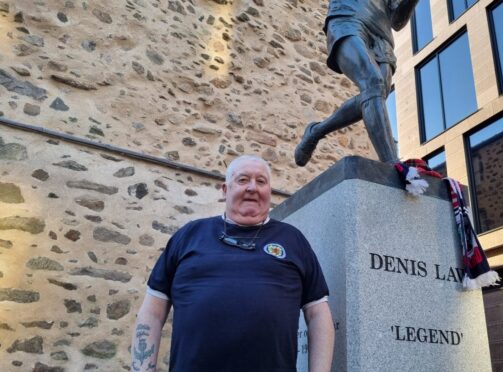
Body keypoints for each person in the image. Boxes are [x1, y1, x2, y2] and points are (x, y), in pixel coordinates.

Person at [131, 155, 335, 371]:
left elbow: (318, 314)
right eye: (243, 179)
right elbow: (152, 312)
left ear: (269, 192)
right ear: (225, 189)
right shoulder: (188, 236)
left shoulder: (293, 241)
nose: (252, 187)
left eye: (261, 181)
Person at [295, 0, 419, 166]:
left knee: (376, 95)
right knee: (373, 83)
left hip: (383, 38)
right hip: (348, 18)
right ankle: (392, 165)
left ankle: (317, 131)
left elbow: (396, 21)